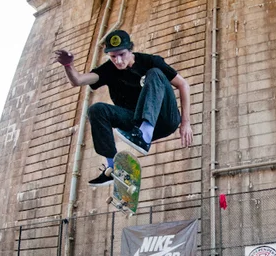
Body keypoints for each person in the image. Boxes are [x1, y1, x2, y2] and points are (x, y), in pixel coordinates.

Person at [54, 29, 193, 186]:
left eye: (122, 54)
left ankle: (145, 134)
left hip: (166, 118)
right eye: (113, 57)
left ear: (130, 50)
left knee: (154, 73)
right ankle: (113, 168)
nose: (118, 61)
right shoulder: (108, 70)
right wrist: (68, 65)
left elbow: (183, 85)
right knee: (96, 109)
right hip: (134, 122)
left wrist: (185, 123)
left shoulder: (150, 61)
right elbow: (78, 80)